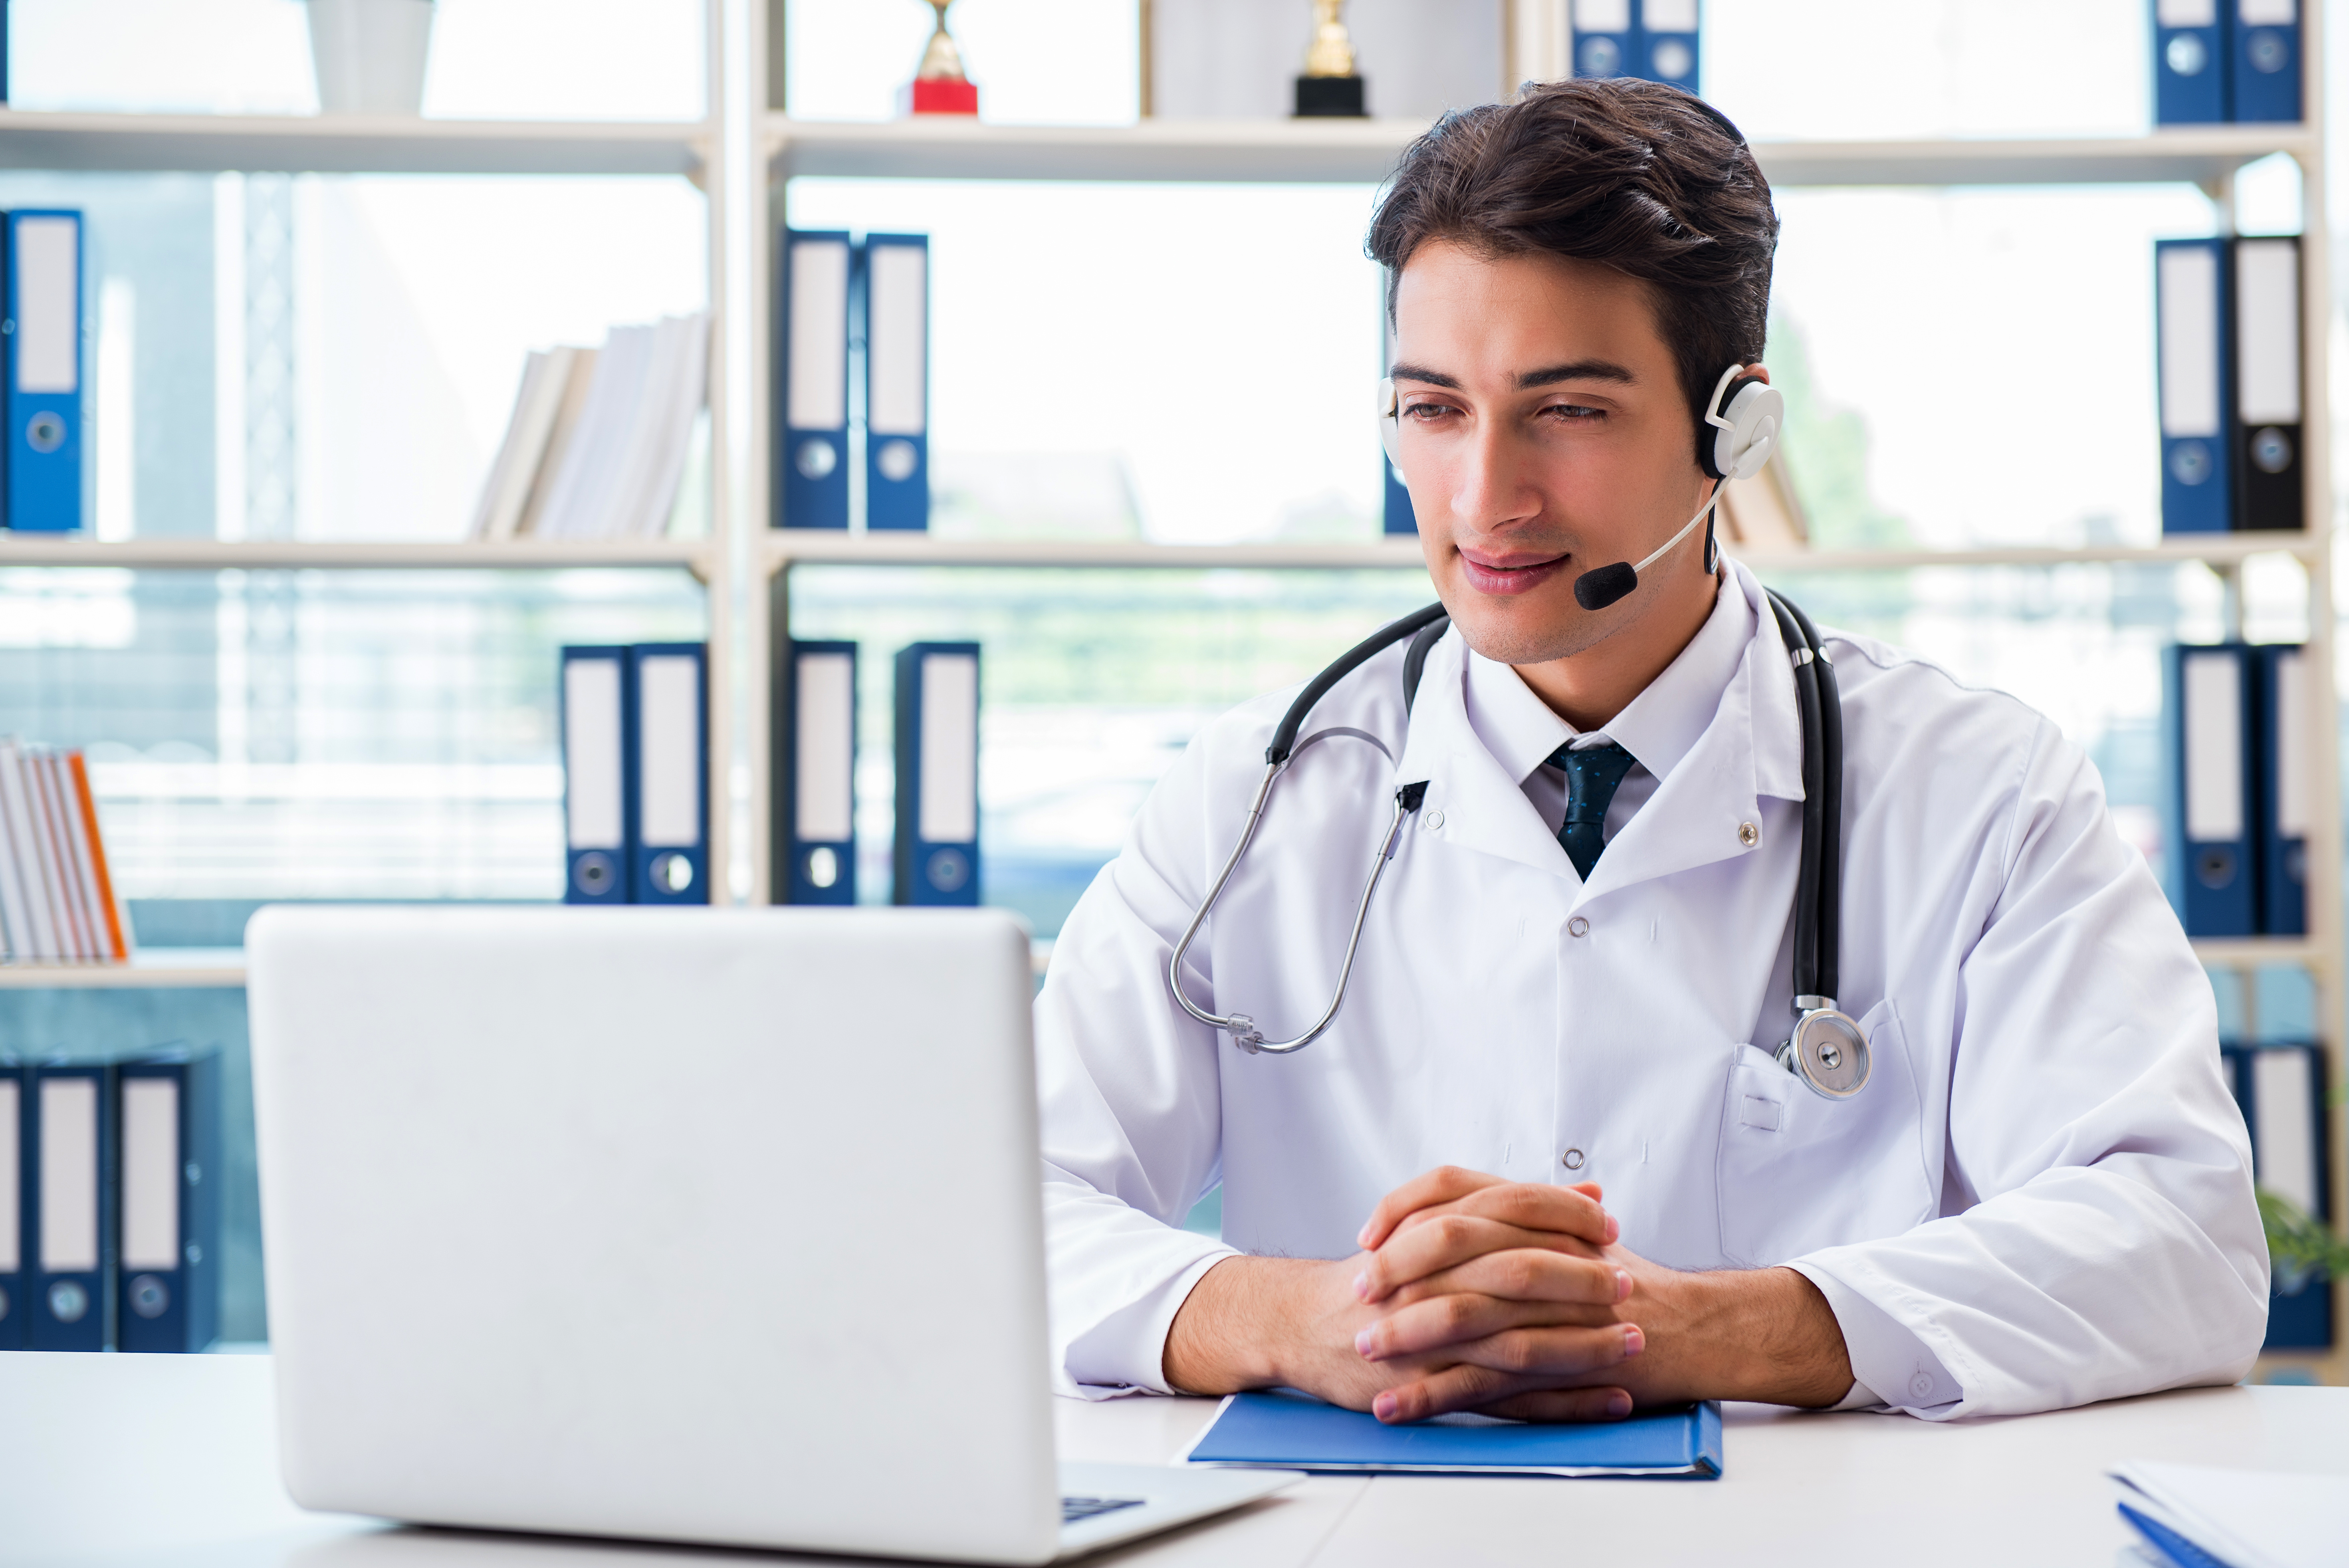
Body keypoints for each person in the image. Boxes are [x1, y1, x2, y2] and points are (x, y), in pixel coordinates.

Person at [1035, 78, 2266, 1424]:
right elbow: (1000, 1208)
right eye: (1433, 410)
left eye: (1566, 410)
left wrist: (1693, 1330)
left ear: (1732, 426)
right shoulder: (1254, 798)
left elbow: (2181, 1239)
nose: (1484, 498)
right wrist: (1299, 1318)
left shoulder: (1982, 792)